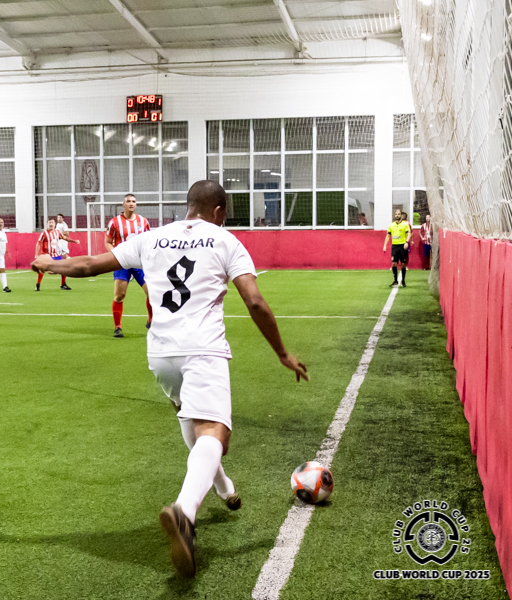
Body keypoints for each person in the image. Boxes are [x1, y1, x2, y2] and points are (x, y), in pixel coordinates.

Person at [32, 180, 308, 578]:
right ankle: (184, 512)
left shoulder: (151, 237)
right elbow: (254, 301)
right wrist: (282, 353)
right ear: (218, 212)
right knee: (214, 433)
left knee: (194, 422)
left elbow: (89, 265)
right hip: (202, 349)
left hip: (161, 353)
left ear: (188, 205)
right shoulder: (225, 240)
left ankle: (225, 488)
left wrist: (49, 264)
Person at [104, 194, 154, 338]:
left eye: (133, 201)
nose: (131, 203)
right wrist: (116, 255)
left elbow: (148, 241)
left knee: (152, 292)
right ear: (123, 204)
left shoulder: (143, 221)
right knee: (119, 296)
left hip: (139, 263)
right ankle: (117, 327)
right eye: (128, 201)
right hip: (122, 263)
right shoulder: (114, 222)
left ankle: (151, 320)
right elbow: (107, 242)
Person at [34, 218, 79, 291]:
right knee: (41, 270)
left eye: (52, 223)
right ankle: (38, 284)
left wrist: (74, 241)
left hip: (56, 255)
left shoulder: (57, 232)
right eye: (49, 223)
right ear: (47, 224)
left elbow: (64, 238)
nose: (51, 224)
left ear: (55, 224)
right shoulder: (44, 233)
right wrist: (36, 255)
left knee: (64, 268)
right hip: (47, 255)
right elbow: (38, 243)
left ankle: (63, 284)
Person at [383, 209, 412, 287]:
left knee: (403, 264)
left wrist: (406, 242)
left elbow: (409, 233)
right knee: (394, 263)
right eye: (396, 214)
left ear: (401, 215)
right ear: (394, 215)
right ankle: (395, 280)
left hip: (402, 246)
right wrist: (385, 245)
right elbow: (388, 235)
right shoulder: (391, 225)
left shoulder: (405, 224)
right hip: (395, 247)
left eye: (399, 214)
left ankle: (403, 281)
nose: (397, 215)